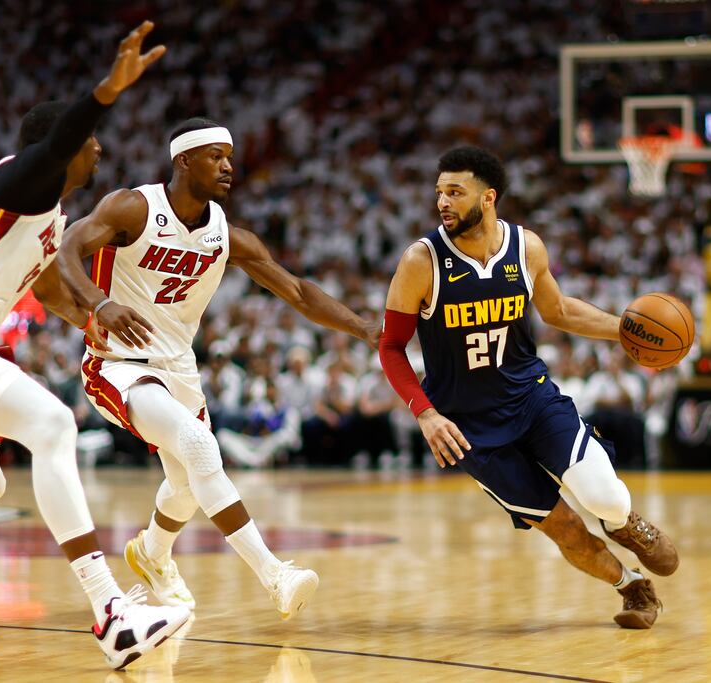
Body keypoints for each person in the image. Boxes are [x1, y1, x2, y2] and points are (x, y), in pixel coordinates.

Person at [0, 22, 192, 669]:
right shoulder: (18, 184)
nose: (98, 150)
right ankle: (111, 611)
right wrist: (107, 90)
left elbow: (46, 287)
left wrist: (92, 318)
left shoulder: (50, 218)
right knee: (51, 423)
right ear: (59, 149)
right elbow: (68, 136)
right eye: (91, 141)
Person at [57, 117, 378, 620]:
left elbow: (296, 291)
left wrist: (366, 330)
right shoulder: (133, 207)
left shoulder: (226, 235)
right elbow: (67, 250)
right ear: (183, 160)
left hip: (179, 368)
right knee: (201, 446)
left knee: (187, 484)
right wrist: (99, 304)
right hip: (117, 363)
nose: (228, 165)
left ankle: (152, 553)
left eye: (230, 156)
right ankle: (275, 574)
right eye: (215, 156)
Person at [377, 146, 679, 629]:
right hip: (468, 429)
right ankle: (633, 587)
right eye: (439, 192)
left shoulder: (526, 247)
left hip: (532, 399)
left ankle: (626, 523)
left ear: (489, 197)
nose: (443, 202)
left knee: (603, 498)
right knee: (564, 528)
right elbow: (391, 347)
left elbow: (558, 311)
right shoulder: (422, 261)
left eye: (456, 192)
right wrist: (425, 413)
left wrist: (623, 330)